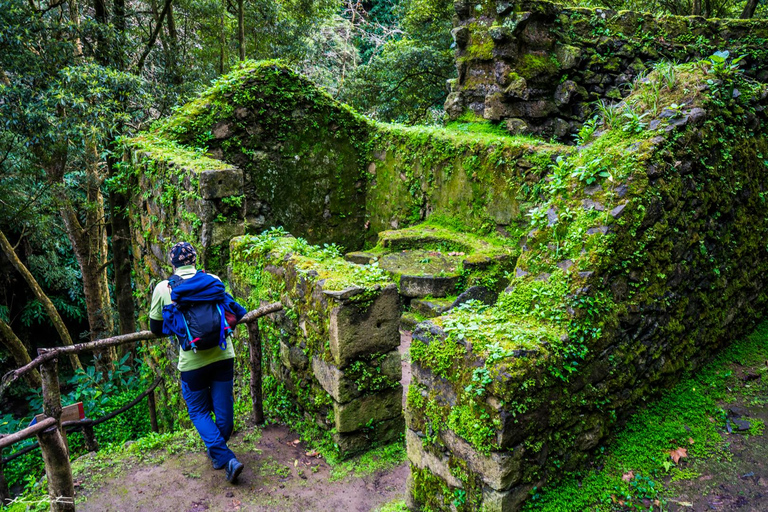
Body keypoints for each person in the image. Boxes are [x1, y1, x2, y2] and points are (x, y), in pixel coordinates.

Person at [149, 242, 247, 483]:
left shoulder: (164, 288)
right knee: (224, 414)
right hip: (223, 356)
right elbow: (230, 309)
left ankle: (225, 458)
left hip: (192, 364)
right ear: (194, 260)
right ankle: (220, 454)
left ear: (172, 264)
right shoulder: (212, 278)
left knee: (199, 412)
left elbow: (155, 328)